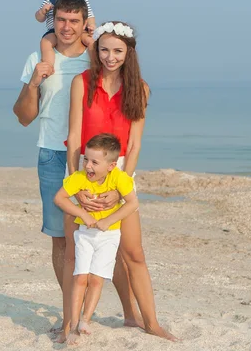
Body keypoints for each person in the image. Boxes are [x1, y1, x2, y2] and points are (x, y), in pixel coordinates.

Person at [62, 21, 177, 342]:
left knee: (133, 253)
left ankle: (150, 322)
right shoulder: (81, 82)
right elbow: (73, 138)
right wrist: (78, 185)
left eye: (118, 51)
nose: (110, 57)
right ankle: (69, 325)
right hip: (83, 173)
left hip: (122, 174)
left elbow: (136, 144)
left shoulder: (139, 88)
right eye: (104, 49)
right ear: (96, 51)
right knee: (76, 254)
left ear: (129, 53)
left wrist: (118, 187)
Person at [13, 0, 92, 332]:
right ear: (53, 21)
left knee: (93, 236)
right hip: (51, 153)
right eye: (61, 20)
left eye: (74, 21)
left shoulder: (95, 59)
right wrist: (34, 83)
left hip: (91, 157)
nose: (67, 27)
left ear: (83, 22)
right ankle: (70, 313)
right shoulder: (37, 59)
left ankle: (88, 313)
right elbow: (23, 117)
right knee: (60, 239)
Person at [54, 133, 139, 345]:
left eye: (94, 162)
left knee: (96, 279)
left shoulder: (119, 178)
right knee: (80, 278)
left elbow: (132, 203)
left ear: (111, 165)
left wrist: (109, 220)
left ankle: (85, 320)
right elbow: (59, 198)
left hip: (109, 237)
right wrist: (82, 214)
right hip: (84, 236)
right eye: (85, 159)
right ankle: (73, 325)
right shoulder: (79, 178)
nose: (88, 166)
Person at [35, 0, 95, 71]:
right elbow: (39, 19)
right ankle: (48, 65)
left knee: (91, 42)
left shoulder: (82, 0)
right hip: (54, 31)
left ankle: (95, 64)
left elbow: (90, 15)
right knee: (45, 43)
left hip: (80, 31)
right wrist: (42, 12)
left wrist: (91, 26)